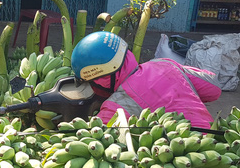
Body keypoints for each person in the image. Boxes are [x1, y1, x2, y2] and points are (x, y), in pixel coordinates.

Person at [70, 31, 222, 128]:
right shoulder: (165, 63)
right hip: (216, 143)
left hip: (184, 160)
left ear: (103, 77)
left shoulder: (117, 106)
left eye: (90, 82)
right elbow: (214, 89)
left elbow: (94, 141)